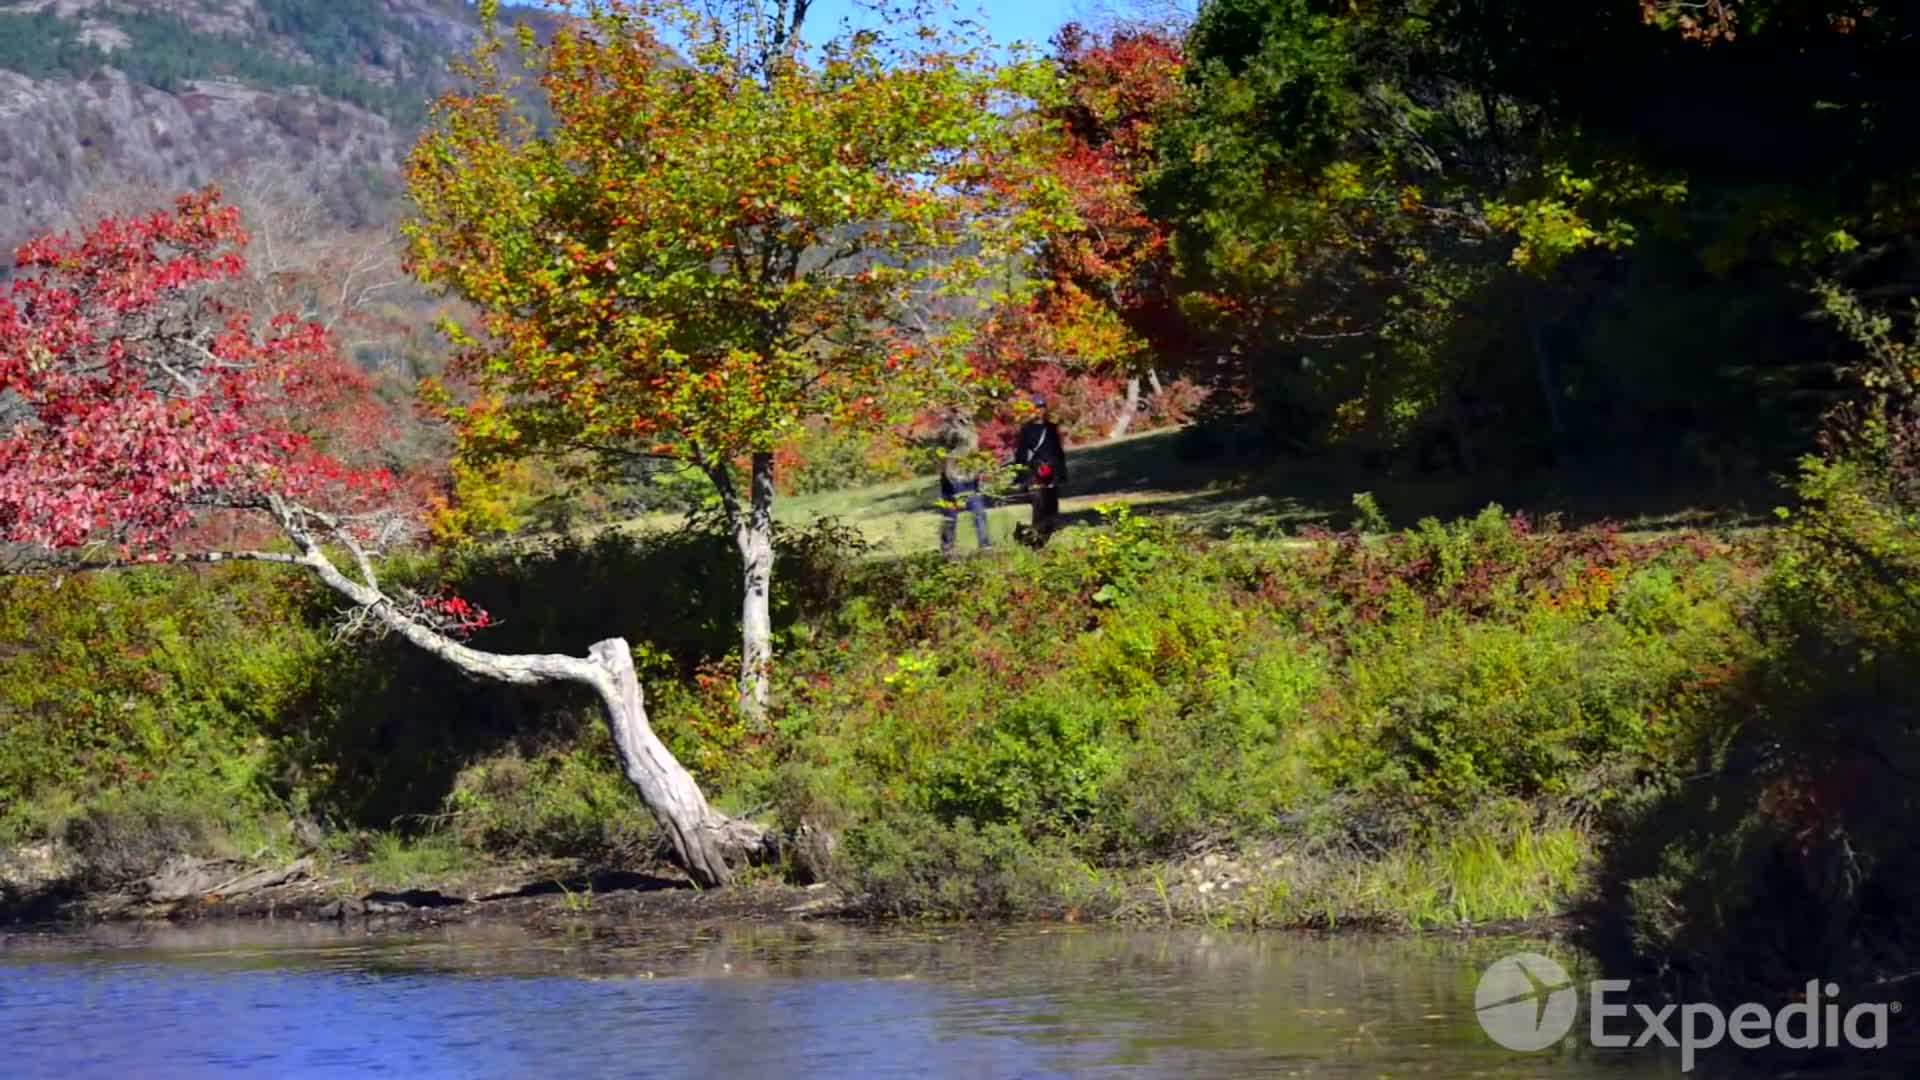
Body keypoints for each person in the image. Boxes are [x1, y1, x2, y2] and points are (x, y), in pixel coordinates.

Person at [1011, 394, 1067, 544]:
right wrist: (1020, 476)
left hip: (1051, 471)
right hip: (1035, 472)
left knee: (1052, 506)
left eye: (1042, 407)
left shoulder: (1051, 428)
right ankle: (1034, 539)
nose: (1040, 411)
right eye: (1037, 407)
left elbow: (1058, 451)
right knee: (1038, 506)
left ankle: (1046, 536)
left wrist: (1061, 473)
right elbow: (1021, 453)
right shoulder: (1026, 429)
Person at [937, 426, 992, 556]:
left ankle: (984, 544)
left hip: (969, 490)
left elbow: (976, 474)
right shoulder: (950, 457)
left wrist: (977, 483)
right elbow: (949, 476)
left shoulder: (972, 457)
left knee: (979, 514)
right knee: (950, 518)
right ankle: (947, 546)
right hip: (952, 491)